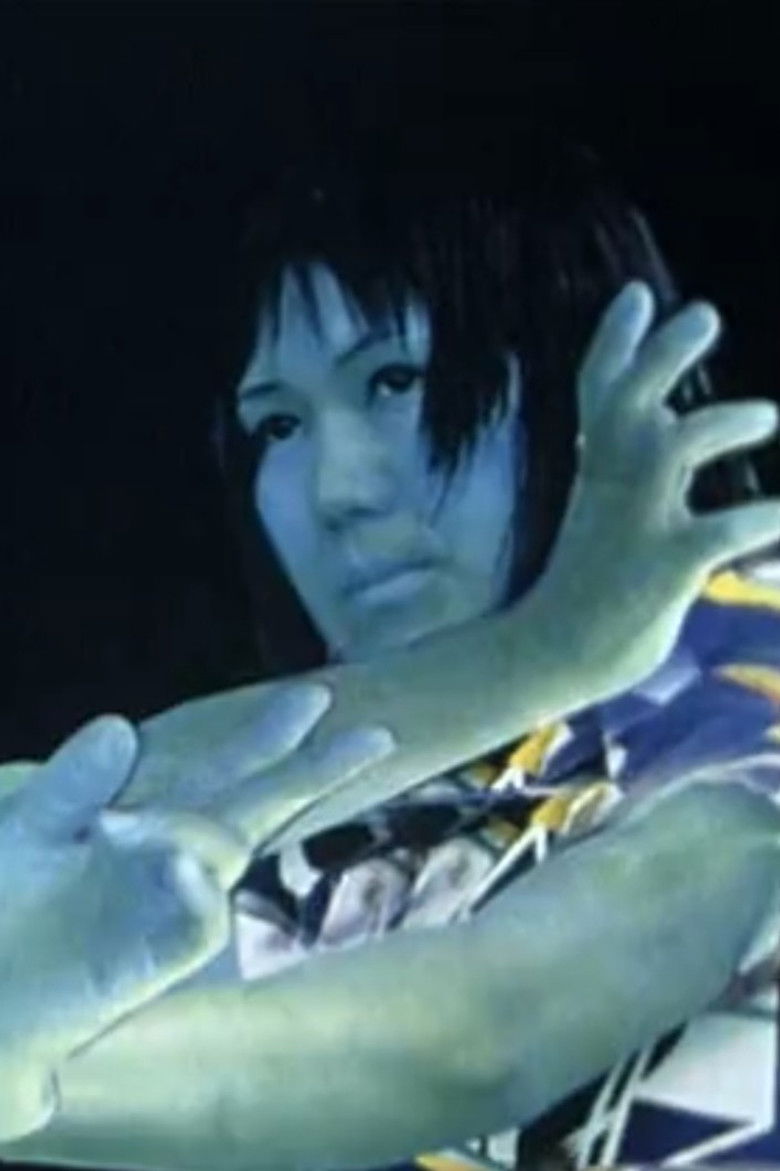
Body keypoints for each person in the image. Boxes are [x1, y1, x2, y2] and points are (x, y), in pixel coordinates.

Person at [2, 131, 780, 1171]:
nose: (340, 491)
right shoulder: (364, 809)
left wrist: (30, 1079)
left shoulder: (740, 650)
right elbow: (50, 837)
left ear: (580, 369)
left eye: (395, 380)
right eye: (278, 427)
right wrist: (543, 652)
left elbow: (481, 1040)